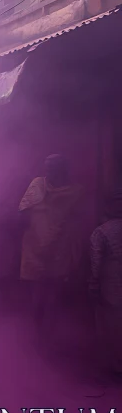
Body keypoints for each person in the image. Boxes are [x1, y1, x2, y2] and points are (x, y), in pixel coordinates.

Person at [18, 154, 84, 337]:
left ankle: (48, 336)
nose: (49, 172)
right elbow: (22, 213)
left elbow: (77, 222)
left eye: (54, 168)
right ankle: (36, 336)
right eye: (47, 168)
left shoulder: (76, 192)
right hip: (35, 251)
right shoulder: (38, 184)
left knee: (53, 298)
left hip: (59, 251)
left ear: (64, 169)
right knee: (37, 298)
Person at [88, 191, 122, 381]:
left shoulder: (101, 231)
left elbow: (96, 260)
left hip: (110, 281)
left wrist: (93, 283)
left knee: (110, 324)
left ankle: (115, 366)